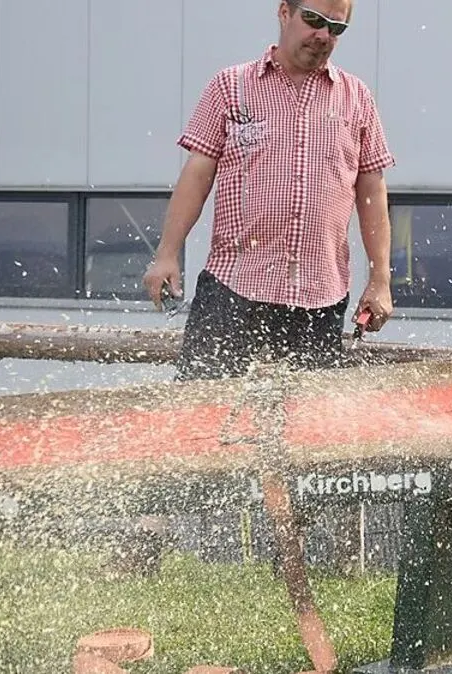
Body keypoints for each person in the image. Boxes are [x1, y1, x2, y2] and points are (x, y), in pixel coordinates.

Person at [131, 0, 395, 573]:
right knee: (194, 413)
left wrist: (380, 279)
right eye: (314, 20)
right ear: (283, 12)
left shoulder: (356, 98)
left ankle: (308, 559)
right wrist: (168, 252)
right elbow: (197, 174)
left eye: (337, 27)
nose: (323, 36)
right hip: (235, 287)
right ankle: (144, 540)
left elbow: (371, 191)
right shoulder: (231, 87)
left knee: (311, 431)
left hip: (320, 296)